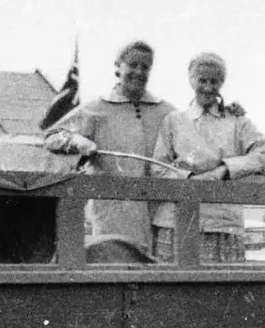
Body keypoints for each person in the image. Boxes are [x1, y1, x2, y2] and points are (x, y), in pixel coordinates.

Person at [44, 40, 175, 262]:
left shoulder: (166, 111)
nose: (139, 72)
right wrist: (79, 143)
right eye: (132, 65)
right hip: (112, 211)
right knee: (115, 263)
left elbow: (196, 129)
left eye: (145, 67)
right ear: (118, 66)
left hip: (157, 213)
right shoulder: (97, 108)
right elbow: (52, 136)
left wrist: (230, 112)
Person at [150, 52, 265, 263]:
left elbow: (264, 154)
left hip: (222, 223)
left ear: (222, 83)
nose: (208, 87)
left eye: (214, 81)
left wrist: (224, 170)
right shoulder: (174, 121)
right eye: (202, 80)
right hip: (176, 220)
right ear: (191, 81)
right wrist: (188, 178)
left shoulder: (236, 121)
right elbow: (157, 167)